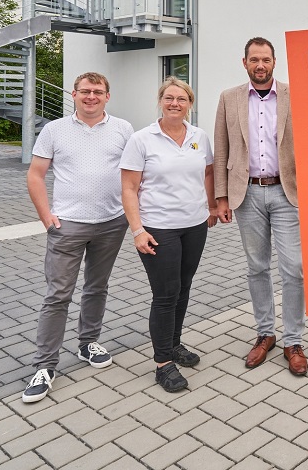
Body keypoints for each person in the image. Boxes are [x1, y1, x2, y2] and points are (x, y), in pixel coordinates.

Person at [212, 37, 308, 376]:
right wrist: (221, 197)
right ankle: (265, 333)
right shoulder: (229, 98)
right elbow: (221, 149)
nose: (260, 65)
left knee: (294, 269)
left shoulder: (296, 95)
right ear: (244, 62)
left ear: (274, 62)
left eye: (265, 59)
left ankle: (293, 339)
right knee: (257, 267)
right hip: (246, 194)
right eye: (254, 60)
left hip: (286, 193)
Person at [22, 73, 134, 404]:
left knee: (97, 287)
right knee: (58, 295)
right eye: (85, 91)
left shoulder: (123, 129)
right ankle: (45, 366)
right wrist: (46, 217)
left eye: (97, 92)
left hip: (112, 223)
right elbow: (35, 175)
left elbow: (134, 174)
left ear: (107, 97)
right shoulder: (54, 130)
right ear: (74, 94)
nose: (91, 97)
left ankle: (88, 343)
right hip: (67, 225)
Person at [120, 77, 215, 393]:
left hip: (195, 225)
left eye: (182, 99)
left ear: (190, 103)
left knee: (183, 287)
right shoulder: (142, 139)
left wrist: (212, 207)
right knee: (165, 294)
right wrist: (137, 231)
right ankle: (163, 364)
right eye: (169, 98)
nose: (175, 103)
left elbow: (208, 171)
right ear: (160, 100)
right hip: (158, 228)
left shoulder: (199, 136)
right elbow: (129, 188)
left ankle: (174, 344)